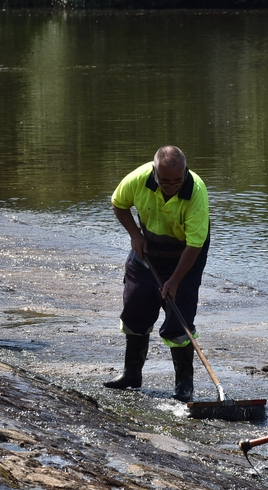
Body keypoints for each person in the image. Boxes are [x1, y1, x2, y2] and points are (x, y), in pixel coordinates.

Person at [103, 146, 210, 402]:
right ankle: (131, 374)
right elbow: (118, 204)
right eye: (165, 181)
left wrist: (175, 280)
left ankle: (184, 386)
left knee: (179, 319)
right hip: (147, 251)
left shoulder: (196, 191)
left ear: (185, 172)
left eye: (177, 180)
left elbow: (195, 244)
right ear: (154, 173)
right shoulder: (139, 178)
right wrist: (135, 235)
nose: (172, 186)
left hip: (185, 255)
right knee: (135, 309)